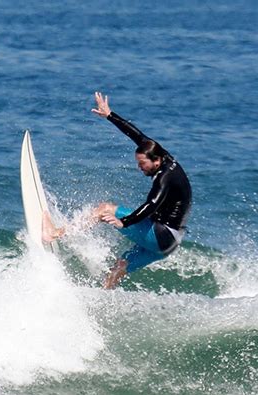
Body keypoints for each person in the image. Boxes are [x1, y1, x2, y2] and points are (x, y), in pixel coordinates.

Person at [43, 92, 192, 289]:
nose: (139, 167)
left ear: (156, 161)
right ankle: (101, 303)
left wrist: (124, 222)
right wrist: (110, 115)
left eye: (142, 164)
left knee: (105, 209)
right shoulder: (162, 156)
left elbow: (151, 205)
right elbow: (137, 136)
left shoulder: (165, 177)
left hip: (161, 235)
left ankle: (56, 233)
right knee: (119, 267)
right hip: (168, 245)